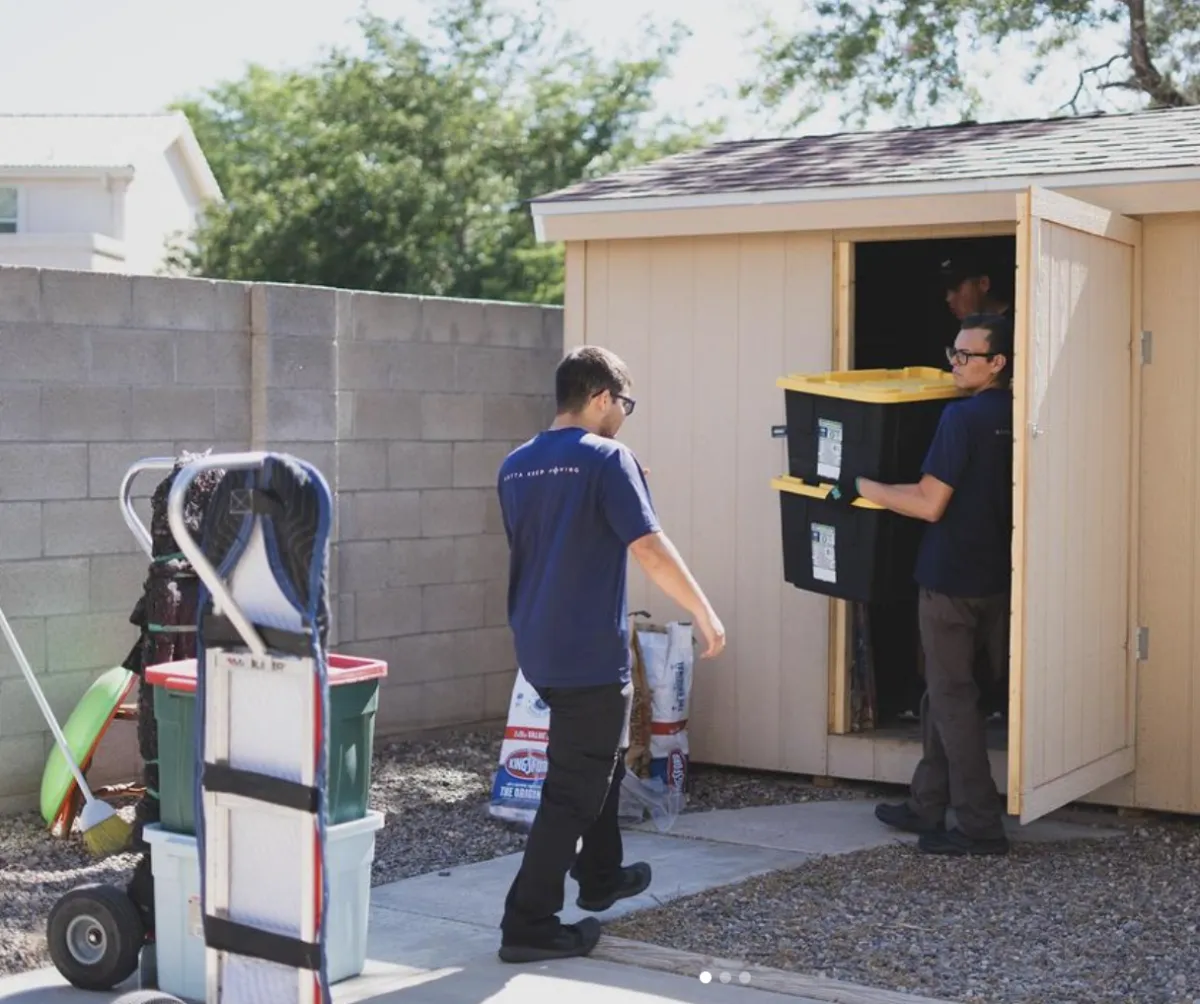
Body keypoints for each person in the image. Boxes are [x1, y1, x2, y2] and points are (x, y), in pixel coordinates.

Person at [495, 345, 726, 962]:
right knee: (572, 786)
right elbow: (647, 547)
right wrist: (703, 610)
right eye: (624, 403)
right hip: (589, 653)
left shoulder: (516, 465)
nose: (624, 415)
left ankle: (601, 874)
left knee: (592, 757)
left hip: (538, 646)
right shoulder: (607, 458)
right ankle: (528, 925)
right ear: (601, 398)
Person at [829, 313, 1014, 856]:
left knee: (953, 698)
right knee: (946, 688)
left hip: (949, 580)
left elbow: (930, 503)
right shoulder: (1015, 414)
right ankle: (926, 802)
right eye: (952, 352)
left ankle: (980, 825)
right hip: (997, 579)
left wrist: (861, 486)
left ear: (996, 362)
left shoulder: (962, 418)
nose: (954, 363)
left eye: (966, 356)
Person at [940, 251, 1012, 322]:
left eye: (955, 288)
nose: (948, 298)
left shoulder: (1018, 324)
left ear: (983, 283)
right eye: (946, 289)